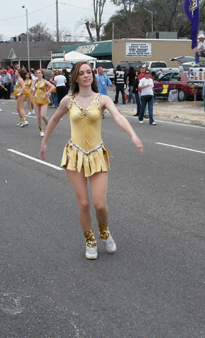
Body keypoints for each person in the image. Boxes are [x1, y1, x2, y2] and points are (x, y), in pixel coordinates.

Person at [40, 61, 142, 259]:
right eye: (82, 73)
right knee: (84, 203)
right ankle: (90, 240)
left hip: (96, 154)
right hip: (74, 155)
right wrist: (44, 143)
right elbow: (53, 120)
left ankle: (104, 231)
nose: (86, 75)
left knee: (99, 204)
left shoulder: (102, 99)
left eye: (89, 72)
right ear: (76, 77)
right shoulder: (68, 100)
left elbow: (119, 117)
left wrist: (133, 135)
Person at [31, 68, 56, 137]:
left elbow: (53, 87)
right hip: (36, 99)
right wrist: (32, 96)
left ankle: (49, 128)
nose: (38, 74)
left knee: (43, 115)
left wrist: (48, 92)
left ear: (42, 74)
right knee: (38, 116)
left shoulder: (44, 81)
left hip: (43, 99)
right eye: (37, 73)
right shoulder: (36, 82)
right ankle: (41, 130)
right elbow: (35, 90)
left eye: (39, 73)